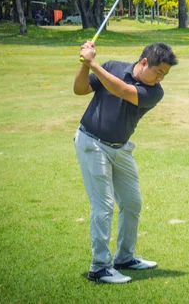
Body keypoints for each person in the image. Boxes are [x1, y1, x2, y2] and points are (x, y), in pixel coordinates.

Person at [74, 41, 178, 283]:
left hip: (120, 149)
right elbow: (80, 90)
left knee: (132, 203)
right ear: (143, 63)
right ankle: (99, 267)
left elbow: (122, 90)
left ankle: (124, 257)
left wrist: (92, 63)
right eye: (158, 72)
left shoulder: (155, 92)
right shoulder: (112, 67)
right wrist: (84, 65)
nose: (160, 78)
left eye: (165, 74)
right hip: (92, 143)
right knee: (104, 205)